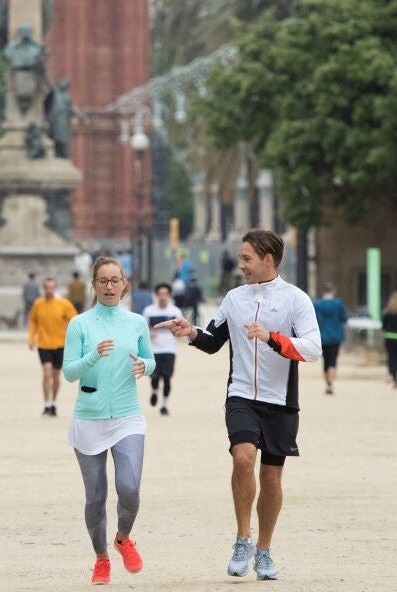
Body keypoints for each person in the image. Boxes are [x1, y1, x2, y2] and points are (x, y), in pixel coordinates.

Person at [155, 229, 321, 581]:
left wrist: (273, 338)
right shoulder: (234, 298)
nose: (241, 265)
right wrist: (191, 331)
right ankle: (243, 539)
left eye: (247, 258)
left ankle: (264, 549)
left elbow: (312, 349)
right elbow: (214, 340)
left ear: (267, 259)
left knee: (271, 477)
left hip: (281, 402)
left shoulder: (296, 300)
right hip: (241, 395)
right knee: (243, 457)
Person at [62, 256, 157, 585]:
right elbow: (69, 372)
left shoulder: (136, 322)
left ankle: (123, 538)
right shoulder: (80, 324)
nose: (109, 286)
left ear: (124, 284)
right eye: (103, 280)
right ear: (94, 285)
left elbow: (150, 359)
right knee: (96, 497)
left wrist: (145, 366)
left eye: (115, 280)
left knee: (129, 487)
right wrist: (92, 356)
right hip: (89, 418)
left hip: (127, 416)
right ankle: (101, 558)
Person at [28, 277, 79, 416]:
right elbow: (33, 321)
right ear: (43, 288)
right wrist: (31, 338)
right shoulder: (38, 304)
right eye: (47, 287)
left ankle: (53, 402)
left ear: (55, 288)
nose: (49, 290)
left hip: (60, 345)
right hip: (44, 344)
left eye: (52, 287)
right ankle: (46, 403)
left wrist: (76, 338)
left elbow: (76, 320)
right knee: (46, 373)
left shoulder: (64, 304)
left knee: (56, 375)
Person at [142, 283, 182, 416]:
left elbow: (182, 329)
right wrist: (149, 334)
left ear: (169, 296)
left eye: (165, 294)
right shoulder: (149, 311)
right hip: (153, 350)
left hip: (169, 349)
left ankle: (164, 405)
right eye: (160, 294)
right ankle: (154, 391)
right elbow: (142, 329)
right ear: (156, 295)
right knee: (154, 376)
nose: (163, 297)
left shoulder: (175, 312)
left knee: (167, 377)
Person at [313, 283, 349, 395]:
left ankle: (327, 383)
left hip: (322, 336)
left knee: (325, 361)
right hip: (335, 336)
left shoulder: (317, 304)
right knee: (333, 361)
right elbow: (344, 318)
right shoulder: (339, 304)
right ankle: (331, 383)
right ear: (333, 291)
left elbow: (313, 319)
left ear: (323, 291)